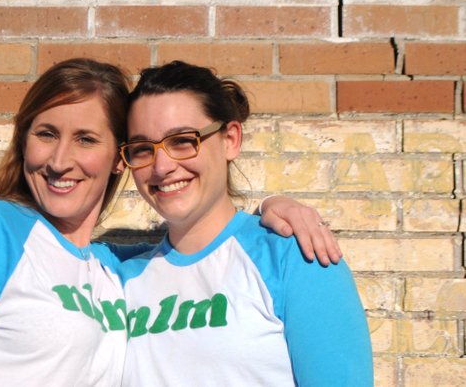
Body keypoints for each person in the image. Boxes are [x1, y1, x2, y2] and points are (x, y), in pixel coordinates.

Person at [0, 58, 341, 385]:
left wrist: (266, 212)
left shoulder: (117, 267)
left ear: (116, 160)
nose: (59, 160)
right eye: (46, 133)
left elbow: (212, 249)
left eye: (86, 139)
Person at [118, 61, 373, 386]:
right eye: (142, 149)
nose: (162, 166)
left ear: (230, 140)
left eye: (182, 140)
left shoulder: (295, 255)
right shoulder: (118, 276)